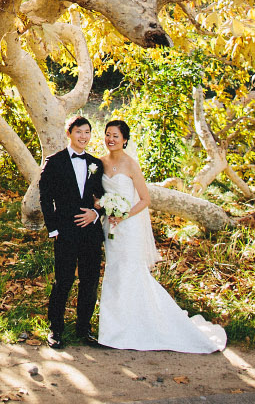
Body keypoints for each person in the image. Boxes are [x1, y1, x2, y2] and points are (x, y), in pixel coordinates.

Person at [96, 119, 226, 353]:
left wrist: (123, 215)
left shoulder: (131, 165)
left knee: (132, 272)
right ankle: (113, 329)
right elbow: (96, 194)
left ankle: (143, 324)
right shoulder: (100, 163)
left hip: (129, 226)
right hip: (110, 226)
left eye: (115, 135)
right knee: (114, 272)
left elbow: (145, 200)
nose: (110, 139)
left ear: (125, 140)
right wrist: (104, 208)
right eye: (107, 134)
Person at [39, 115, 105, 348]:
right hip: (65, 232)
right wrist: (53, 229)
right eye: (79, 132)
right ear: (69, 133)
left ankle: (84, 328)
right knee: (63, 281)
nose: (83, 136)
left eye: (87, 132)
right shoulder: (54, 162)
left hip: (90, 232)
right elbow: (46, 199)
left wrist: (96, 214)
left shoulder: (96, 164)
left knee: (89, 280)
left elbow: (105, 197)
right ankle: (55, 330)